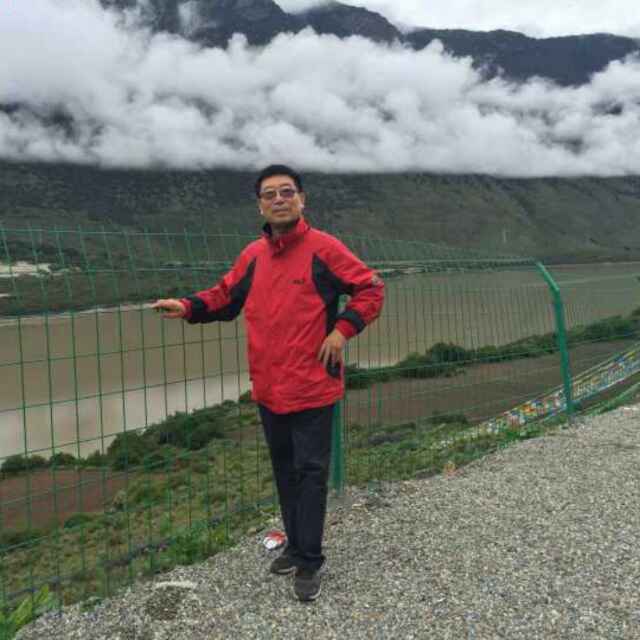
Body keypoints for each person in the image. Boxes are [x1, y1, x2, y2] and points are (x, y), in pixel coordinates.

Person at [152, 164, 384, 602]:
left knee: (311, 474)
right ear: (260, 205)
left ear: (302, 199)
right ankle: (295, 546)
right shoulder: (253, 256)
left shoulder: (324, 248)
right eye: (269, 194)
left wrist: (341, 330)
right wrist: (186, 306)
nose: (279, 200)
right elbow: (225, 297)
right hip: (269, 387)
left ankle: (310, 561)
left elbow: (371, 288)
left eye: (287, 192)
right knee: (285, 471)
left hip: (312, 385)